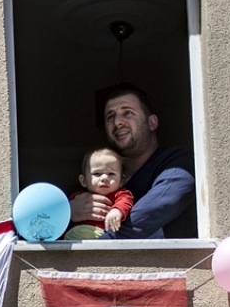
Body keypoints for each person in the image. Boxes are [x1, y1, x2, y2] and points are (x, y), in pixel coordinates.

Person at [70, 86, 196, 239]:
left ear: (151, 123)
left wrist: (101, 245)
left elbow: (156, 210)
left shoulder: (178, 162)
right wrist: (67, 213)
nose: (117, 122)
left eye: (127, 112)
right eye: (110, 116)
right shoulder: (98, 180)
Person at [64, 148, 133, 240]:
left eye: (111, 174)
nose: (104, 178)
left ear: (121, 181)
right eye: (97, 174)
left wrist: (117, 211)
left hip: (103, 233)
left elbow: (125, 201)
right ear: (83, 181)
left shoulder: (120, 194)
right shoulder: (77, 198)